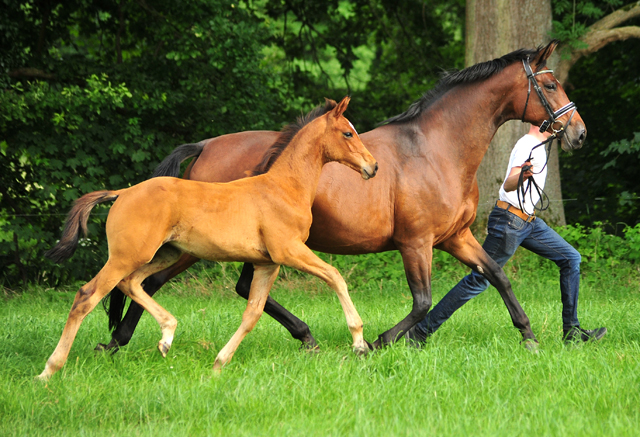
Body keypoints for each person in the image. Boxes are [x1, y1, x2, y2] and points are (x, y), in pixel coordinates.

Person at [407, 124, 607, 345]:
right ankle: (421, 332)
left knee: (571, 258)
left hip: (528, 222)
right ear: (543, 121)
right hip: (509, 221)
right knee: (479, 280)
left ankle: (572, 332)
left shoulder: (539, 145)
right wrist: (522, 175)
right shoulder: (527, 145)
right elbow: (509, 183)